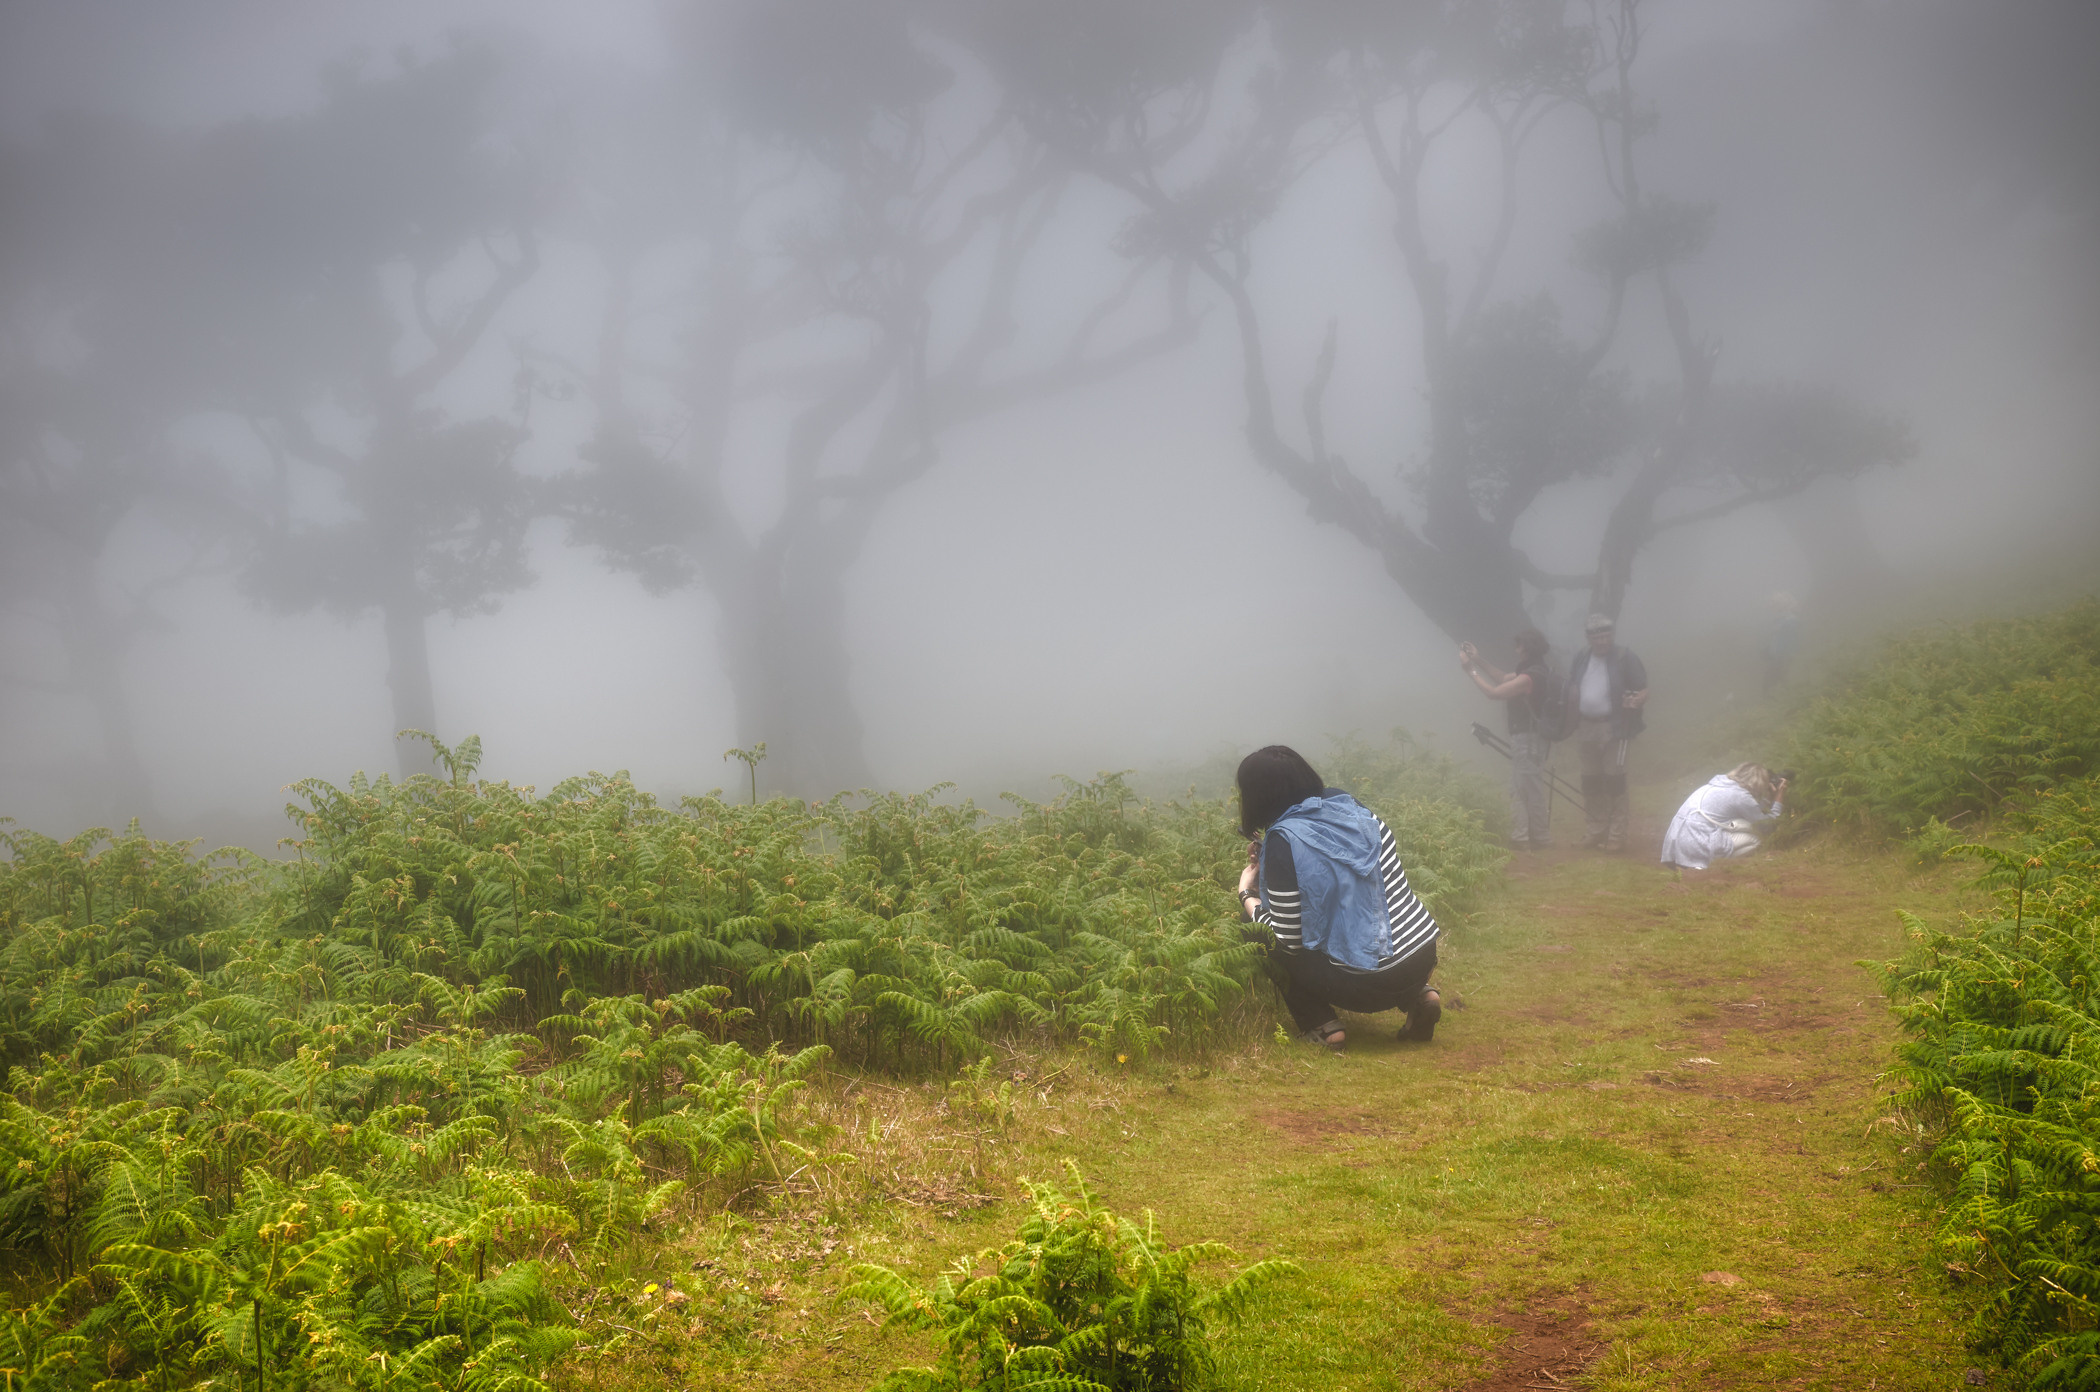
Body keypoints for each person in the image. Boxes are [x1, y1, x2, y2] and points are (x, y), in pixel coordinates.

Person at [1233, 745, 1442, 1051]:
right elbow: (1337, 863)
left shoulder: (1283, 843)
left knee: (1255, 927)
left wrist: (1247, 893)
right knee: (1376, 922)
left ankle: (1322, 1025)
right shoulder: (1350, 806)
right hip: (1422, 954)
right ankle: (1420, 994)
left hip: (1368, 983)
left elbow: (1286, 938)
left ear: (1255, 795)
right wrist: (1273, 861)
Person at [1460, 630, 1554, 850]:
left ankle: (1531, 838)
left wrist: (1470, 670)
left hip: (1528, 740)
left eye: (1519, 645)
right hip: (1530, 738)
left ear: (1526, 648)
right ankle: (1531, 836)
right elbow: (1502, 678)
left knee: (1525, 787)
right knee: (1526, 785)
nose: (1516, 648)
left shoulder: (1530, 676)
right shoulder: (1536, 670)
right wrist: (1477, 659)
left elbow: (1494, 692)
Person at [1565, 614, 1648, 852]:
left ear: (1612, 635)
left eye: (1606, 636)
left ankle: (1616, 835)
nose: (1602, 642)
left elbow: (1643, 689)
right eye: (1597, 637)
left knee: (1615, 781)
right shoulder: (1581, 658)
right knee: (1590, 781)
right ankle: (1595, 830)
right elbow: (1573, 686)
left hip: (1615, 727)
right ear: (1588, 638)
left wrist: (1636, 701)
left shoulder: (1625, 657)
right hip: (1585, 726)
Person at [1662, 764, 1787, 869]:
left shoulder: (1715, 786)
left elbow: (1751, 811)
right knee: (1755, 839)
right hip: (1696, 845)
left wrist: (1766, 799)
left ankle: (1692, 863)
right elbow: (1767, 826)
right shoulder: (1740, 795)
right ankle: (1715, 866)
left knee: (1739, 823)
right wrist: (1779, 797)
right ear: (1759, 783)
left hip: (1675, 845)